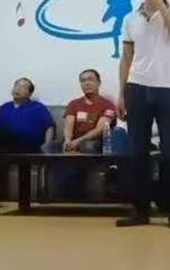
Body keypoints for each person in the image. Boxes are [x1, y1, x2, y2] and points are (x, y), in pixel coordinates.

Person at [115, 0, 170, 228]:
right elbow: (126, 58)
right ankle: (140, 209)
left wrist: (160, 4)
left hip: (169, 89)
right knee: (137, 152)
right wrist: (122, 93)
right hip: (137, 88)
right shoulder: (130, 18)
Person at [43, 69, 117, 199]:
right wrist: (68, 140)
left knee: (87, 146)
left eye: (90, 79)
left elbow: (100, 129)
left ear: (98, 83)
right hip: (72, 141)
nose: (87, 83)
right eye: (83, 81)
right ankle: (67, 185)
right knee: (48, 147)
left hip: (93, 143)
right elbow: (68, 124)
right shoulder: (74, 104)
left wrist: (78, 141)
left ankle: (69, 191)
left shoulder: (107, 104)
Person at [0, 78, 55, 153]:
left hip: (28, 144)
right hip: (4, 144)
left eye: (23, 87)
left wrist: (47, 146)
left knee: (2, 134)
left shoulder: (38, 107)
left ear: (29, 93)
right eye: (16, 85)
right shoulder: (5, 107)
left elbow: (50, 127)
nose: (18, 88)